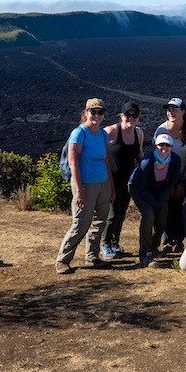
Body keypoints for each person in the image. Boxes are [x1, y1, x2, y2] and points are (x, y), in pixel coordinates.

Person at [55, 97, 114, 274]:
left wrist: (111, 185)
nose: (96, 115)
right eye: (93, 111)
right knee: (81, 223)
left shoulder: (102, 134)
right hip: (86, 184)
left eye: (100, 112)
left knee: (100, 221)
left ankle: (92, 257)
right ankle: (62, 260)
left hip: (103, 182)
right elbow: (73, 163)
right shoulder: (79, 133)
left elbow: (106, 160)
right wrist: (79, 191)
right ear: (86, 112)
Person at [129, 133, 183, 267]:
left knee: (162, 219)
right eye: (161, 145)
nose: (164, 148)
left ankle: (153, 247)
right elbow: (141, 187)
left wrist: (160, 198)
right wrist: (155, 203)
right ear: (155, 146)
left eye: (167, 145)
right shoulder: (147, 161)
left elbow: (172, 181)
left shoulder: (175, 160)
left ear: (171, 147)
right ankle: (145, 253)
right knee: (149, 215)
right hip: (139, 189)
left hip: (160, 189)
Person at [155, 98, 186, 254]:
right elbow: (158, 155)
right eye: (169, 109)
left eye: (175, 109)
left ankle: (179, 240)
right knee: (166, 206)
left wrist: (182, 179)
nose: (171, 112)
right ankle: (166, 240)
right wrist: (170, 182)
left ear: (183, 111)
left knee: (181, 206)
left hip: (183, 175)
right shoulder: (161, 130)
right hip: (165, 174)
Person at [102, 101, 144, 259]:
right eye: (128, 115)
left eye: (134, 115)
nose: (131, 118)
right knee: (113, 213)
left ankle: (115, 244)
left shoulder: (138, 133)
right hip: (111, 180)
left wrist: (148, 167)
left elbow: (139, 153)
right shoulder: (110, 132)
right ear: (121, 116)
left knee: (121, 213)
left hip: (127, 181)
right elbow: (101, 154)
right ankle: (105, 244)